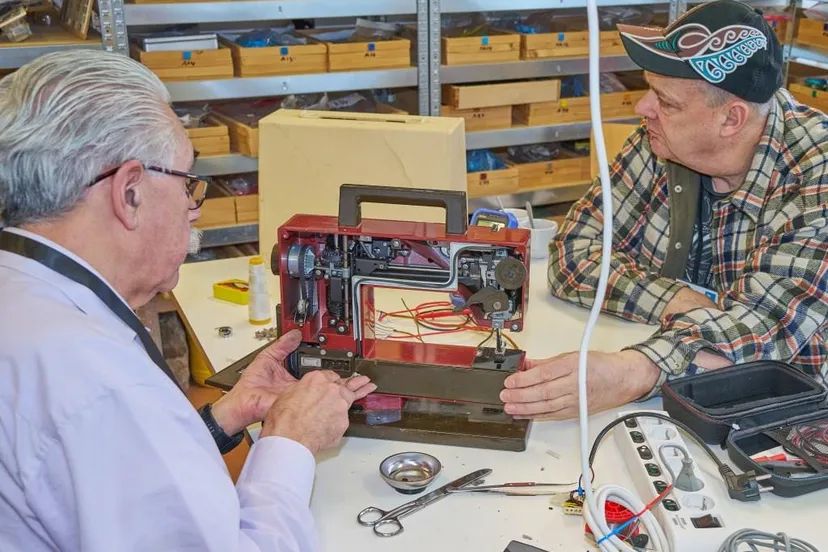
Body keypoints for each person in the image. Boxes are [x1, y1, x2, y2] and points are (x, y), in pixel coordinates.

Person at [0, 51, 376, 551]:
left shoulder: (24, 296)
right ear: (129, 193)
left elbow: (106, 480)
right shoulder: (97, 378)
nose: (194, 210)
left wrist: (221, 420)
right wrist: (291, 440)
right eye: (187, 184)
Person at [500, 0, 828, 419]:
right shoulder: (662, 141)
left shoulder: (816, 172)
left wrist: (634, 372)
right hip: (678, 398)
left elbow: (767, 330)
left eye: (666, 101)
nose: (643, 108)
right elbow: (572, 254)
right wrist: (678, 300)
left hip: (788, 418)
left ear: (731, 119)